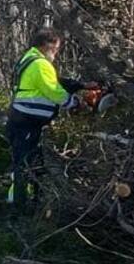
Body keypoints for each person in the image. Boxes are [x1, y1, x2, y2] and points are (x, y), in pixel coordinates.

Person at [6, 28, 97, 210]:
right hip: (27, 120)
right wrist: (75, 103)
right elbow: (54, 90)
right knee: (24, 163)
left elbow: (55, 81)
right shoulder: (40, 64)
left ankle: (26, 200)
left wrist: (80, 85)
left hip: (22, 119)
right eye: (55, 49)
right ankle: (18, 206)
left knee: (27, 160)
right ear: (46, 45)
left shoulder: (29, 59)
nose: (56, 53)